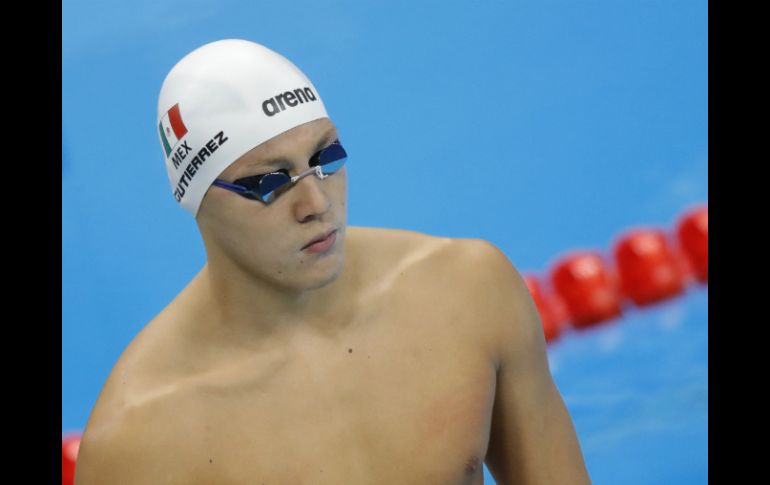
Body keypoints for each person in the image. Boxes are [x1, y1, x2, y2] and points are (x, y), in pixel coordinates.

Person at [75, 39, 591, 485]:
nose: (316, 205)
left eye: (325, 158)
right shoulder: (142, 438)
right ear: (197, 199)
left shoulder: (468, 293)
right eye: (269, 184)